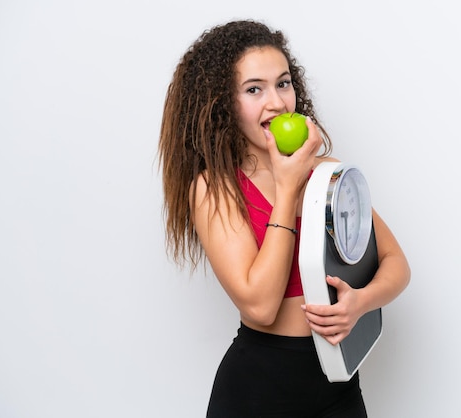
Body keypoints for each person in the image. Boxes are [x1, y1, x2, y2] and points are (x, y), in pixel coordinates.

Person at [158, 19, 410, 418]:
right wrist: (289, 186)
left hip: (338, 384)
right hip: (258, 392)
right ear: (225, 102)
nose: (276, 102)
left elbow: (396, 264)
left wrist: (359, 303)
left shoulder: (327, 173)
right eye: (253, 89)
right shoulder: (215, 188)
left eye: (283, 82)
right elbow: (260, 306)